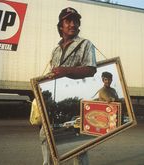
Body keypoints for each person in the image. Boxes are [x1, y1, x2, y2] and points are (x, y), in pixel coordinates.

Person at [40, 7, 97, 165]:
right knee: (45, 135)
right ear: (60, 26)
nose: (73, 24)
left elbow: (91, 69)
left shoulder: (85, 44)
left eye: (76, 21)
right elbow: (53, 76)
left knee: (78, 145)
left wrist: (66, 71)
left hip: (77, 99)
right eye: (68, 20)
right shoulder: (55, 50)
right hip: (56, 101)